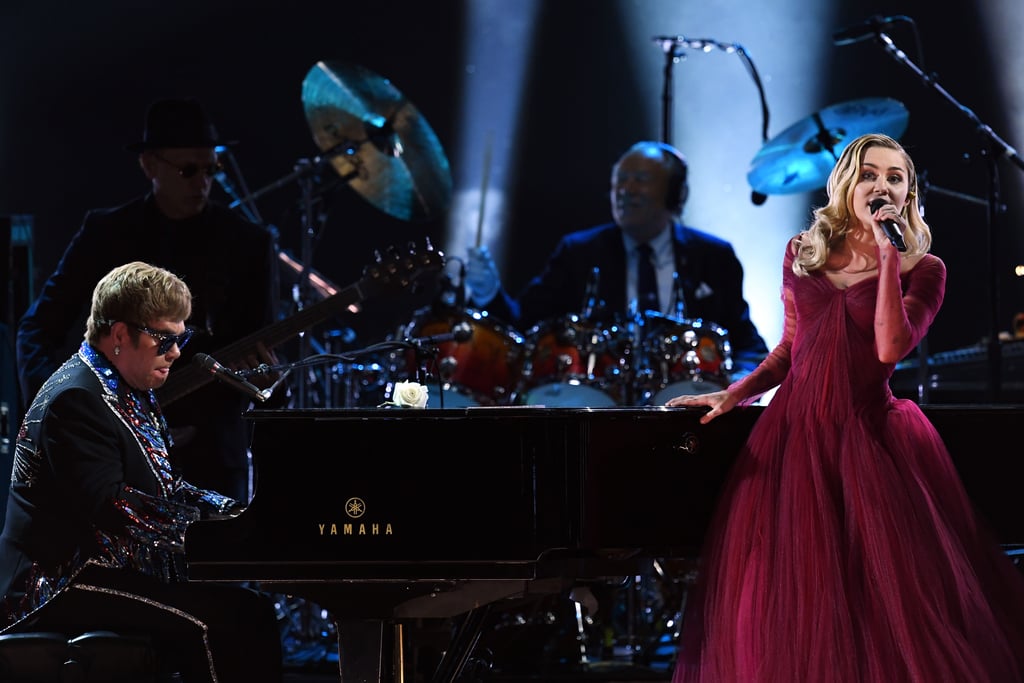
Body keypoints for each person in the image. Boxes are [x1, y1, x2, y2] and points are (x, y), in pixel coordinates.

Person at [666, 133, 1024, 681]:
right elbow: (789, 349)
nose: (882, 185)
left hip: (869, 437)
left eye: (895, 177)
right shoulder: (801, 252)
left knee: (877, 596)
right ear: (846, 183)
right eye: (869, 173)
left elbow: (889, 347)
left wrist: (888, 256)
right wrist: (734, 392)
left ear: (908, 193)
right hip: (794, 436)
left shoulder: (924, 268)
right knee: (790, 591)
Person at [0, 262, 283, 681]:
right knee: (222, 621)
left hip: (110, 567)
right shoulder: (74, 399)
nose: (177, 352)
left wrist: (235, 513)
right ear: (119, 335)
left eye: (182, 336)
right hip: (57, 583)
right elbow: (114, 506)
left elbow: (168, 488)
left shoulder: (128, 387)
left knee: (255, 610)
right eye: (165, 339)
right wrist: (219, 535)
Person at [16, 97, 282, 502]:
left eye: (211, 170)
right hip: (108, 452)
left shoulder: (249, 243)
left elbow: (258, 350)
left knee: (209, 565)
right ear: (149, 165)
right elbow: (37, 327)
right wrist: (60, 409)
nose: (202, 183)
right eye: (187, 170)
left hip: (206, 460)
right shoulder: (105, 233)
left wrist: (263, 381)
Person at [465, 140, 769, 405]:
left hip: (689, 414)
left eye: (640, 179)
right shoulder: (579, 252)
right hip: (601, 413)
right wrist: (489, 294)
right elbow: (522, 327)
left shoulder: (714, 257)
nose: (625, 190)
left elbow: (747, 343)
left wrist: (739, 384)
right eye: (619, 180)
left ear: (676, 194)